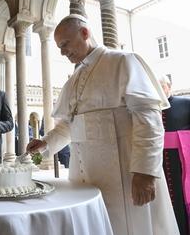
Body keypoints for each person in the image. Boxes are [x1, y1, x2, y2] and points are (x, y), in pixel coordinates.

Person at [26, 14, 179, 234]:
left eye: (65, 44)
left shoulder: (123, 61)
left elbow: (149, 120)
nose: (62, 52)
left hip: (126, 175)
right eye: (59, 47)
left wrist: (145, 171)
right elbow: (69, 125)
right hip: (85, 178)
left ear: (85, 33)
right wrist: (45, 144)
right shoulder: (74, 79)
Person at [159, 75, 189, 234]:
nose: (159, 91)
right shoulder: (150, 108)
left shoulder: (185, 103)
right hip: (160, 162)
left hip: (182, 162)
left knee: (182, 197)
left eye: (161, 86)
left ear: (169, 86)